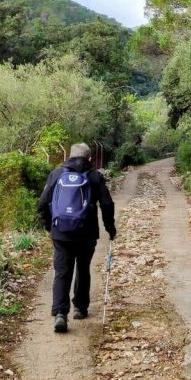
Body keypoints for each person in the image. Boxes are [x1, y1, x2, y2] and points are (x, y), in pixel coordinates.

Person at [37, 143, 116, 334]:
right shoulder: (95, 176)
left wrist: (50, 227)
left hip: (61, 233)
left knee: (62, 272)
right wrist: (110, 229)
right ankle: (80, 308)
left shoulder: (56, 174)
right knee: (82, 268)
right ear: (89, 158)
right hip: (86, 233)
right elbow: (107, 204)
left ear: (69, 156)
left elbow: (42, 203)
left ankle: (60, 314)